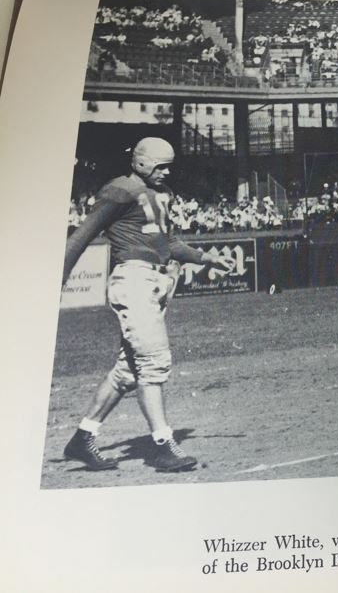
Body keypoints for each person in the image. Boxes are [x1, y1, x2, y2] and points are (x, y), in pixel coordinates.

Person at [61, 137, 235, 472]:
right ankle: (162, 446)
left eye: (169, 165)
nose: (167, 171)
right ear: (140, 161)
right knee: (155, 362)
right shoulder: (118, 190)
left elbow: (167, 242)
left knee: (128, 371)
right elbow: (81, 237)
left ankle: (83, 438)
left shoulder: (162, 194)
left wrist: (204, 258)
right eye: (161, 164)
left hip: (157, 282)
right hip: (134, 279)